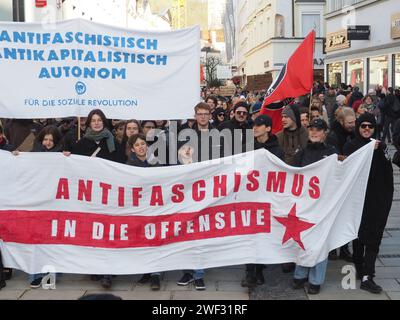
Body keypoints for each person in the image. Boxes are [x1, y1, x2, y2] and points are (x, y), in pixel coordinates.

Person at [344, 113, 394, 294]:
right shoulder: (351, 145)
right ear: (358, 127)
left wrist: (380, 151)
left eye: (370, 126)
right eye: (363, 126)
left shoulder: (381, 147)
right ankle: (359, 264)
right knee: (358, 234)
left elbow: (388, 172)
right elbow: (349, 168)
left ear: (375, 128)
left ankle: (368, 275)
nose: (366, 129)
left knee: (374, 235)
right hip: (357, 198)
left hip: (378, 198)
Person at [72, 109, 117, 289]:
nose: (97, 123)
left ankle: (107, 272)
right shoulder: (80, 143)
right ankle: (94, 266)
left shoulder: (113, 141)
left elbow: (119, 163)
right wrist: (67, 156)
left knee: (106, 231)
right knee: (92, 231)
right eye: (93, 120)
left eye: (99, 120)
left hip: (109, 194)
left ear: (104, 122)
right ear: (88, 123)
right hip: (89, 195)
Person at [292, 118, 337, 295]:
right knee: (302, 239)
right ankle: (300, 273)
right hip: (304, 204)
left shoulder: (332, 152)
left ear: (325, 132)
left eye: (318, 130)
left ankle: (316, 279)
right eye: (311, 129)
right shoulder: (302, 152)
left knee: (320, 242)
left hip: (324, 205)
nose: (314, 132)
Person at [240, 115, 284, 288]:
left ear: (268, 128)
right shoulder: (246, 148)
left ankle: (259, 269)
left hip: (267, 198)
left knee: (263, 236)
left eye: (259, 125)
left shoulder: (276, 150)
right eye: (254, 126)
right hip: (249, 198)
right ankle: (250, 272)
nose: (255, 128)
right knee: (249, 235)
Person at [125, 133, 163, 290]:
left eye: (143, 144)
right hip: (138, 208)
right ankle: (146, 271)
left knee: (155, 240)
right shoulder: (127, 165)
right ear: (133, 149)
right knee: (142, 240)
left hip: (154, 206)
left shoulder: (156, 162)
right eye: (137, 145)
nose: (141, 147)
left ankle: (156, 275)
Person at [326, 107, 356, 261]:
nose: (353, 125)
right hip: (337, 180)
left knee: (346, 215)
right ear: (341, 121)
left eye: (354, 122)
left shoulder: (354, 133)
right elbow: (334, 156)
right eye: (350, 122)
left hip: (350, 179)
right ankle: (331, 248)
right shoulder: (333, 135)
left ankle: (344, 247)